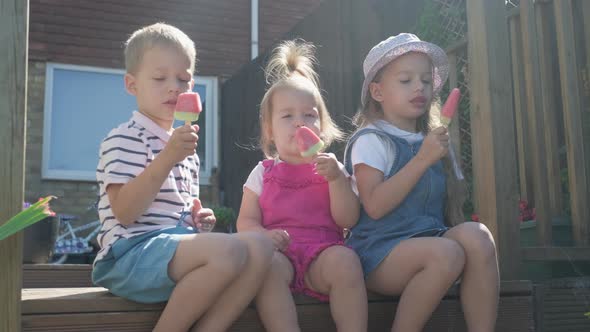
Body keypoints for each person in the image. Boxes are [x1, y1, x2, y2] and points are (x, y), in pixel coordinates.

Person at [92, 23, 274, 332]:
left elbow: (174, 212)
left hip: (169, 252)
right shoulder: (124, 138)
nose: (174, 87)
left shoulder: (185, 149)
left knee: (260, 246)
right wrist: (167, 157)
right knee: (230, 249)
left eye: (183, 79)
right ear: (132, 85)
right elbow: (125, 212)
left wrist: (196, 220)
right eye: (160, 78)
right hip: (129, 256)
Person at [344, 33, 499, 332]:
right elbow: (374, 206)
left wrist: (440, 161)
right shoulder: (372, 139)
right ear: (377, 92)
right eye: (405, 80)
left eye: (426, 81)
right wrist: (422, 161)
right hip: (378, 254)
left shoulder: (432, 141)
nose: (419, 87)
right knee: (447, 253)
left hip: (431, 240)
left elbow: (448, 208)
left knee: (478, 236)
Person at [236, 39, 368, 332]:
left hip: (323, 252)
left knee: (347, 262)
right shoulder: (263, 172)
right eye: (287, 116)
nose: (300, 123)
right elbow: (245, 222)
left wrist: (336, 179)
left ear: (322, 124)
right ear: (269, 131)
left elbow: (348, 219)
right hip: (279, 256)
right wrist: (263, 236)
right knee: (265, 271)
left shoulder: (331, 167)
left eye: (309, 115)